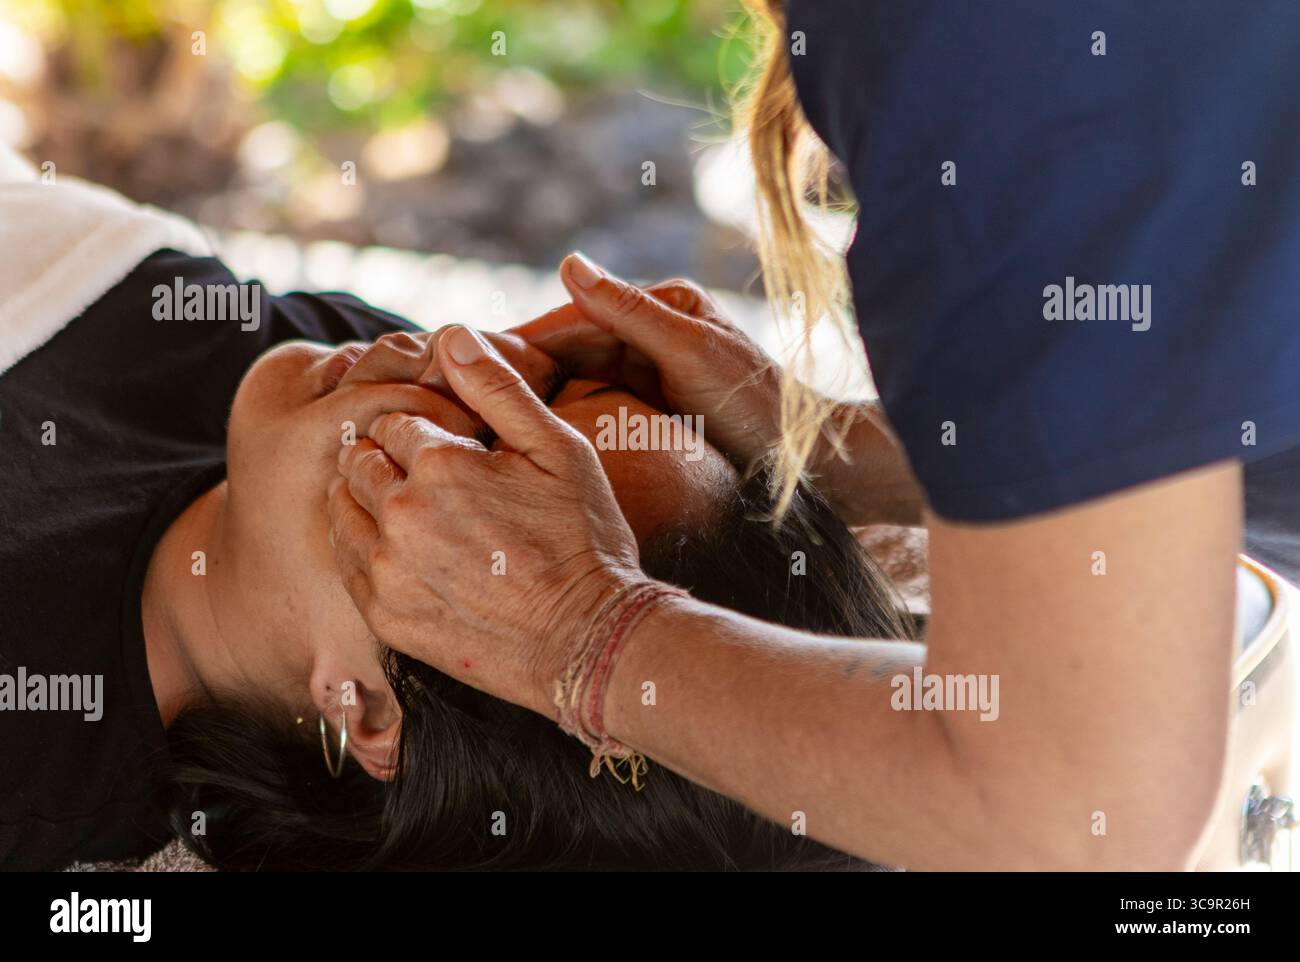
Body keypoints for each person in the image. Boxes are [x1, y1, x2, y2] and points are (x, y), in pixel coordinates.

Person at [329, 0, 1300, 869]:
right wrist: (843, 454)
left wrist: (588, 633)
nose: (453, 368)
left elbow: (1074, 800)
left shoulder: (981, 53)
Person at [0, 233, 917, 869]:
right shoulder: (302, 356)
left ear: (365, 714)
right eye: (559, 382)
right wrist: (815, 442)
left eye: (482, 465)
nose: (464, 360)